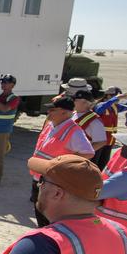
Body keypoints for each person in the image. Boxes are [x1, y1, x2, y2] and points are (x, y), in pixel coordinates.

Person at [29, 97, 93, 226]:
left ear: (65, 112)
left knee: (47, 216)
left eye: (52, 110)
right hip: (40, 175)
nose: (49, 112)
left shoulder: (74, 132)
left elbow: (88, 152)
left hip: (53, 180)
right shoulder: (51, 125)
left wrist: (64, 167)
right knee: (39, 210)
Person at [73, 89, 109, 158]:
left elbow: (101, 142)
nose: (73, 101)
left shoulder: (95, 121)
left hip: (80, 159)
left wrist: (82, 155)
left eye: (75, 100)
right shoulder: (73, 114)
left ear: (85, 103)